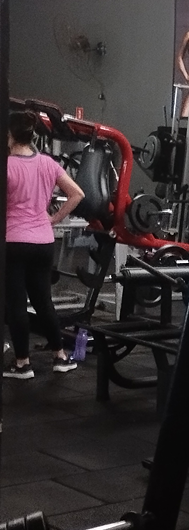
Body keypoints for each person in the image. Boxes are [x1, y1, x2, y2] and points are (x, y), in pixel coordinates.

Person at [4, 110, 85, 379]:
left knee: (16, 304)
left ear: (10, 135)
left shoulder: (7, 166)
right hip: (43, 242)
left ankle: (22, 364)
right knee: (43, 301)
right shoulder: (48, 164)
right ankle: (60, 357)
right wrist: (53, 219)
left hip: (14, 242)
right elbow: (77, 194)